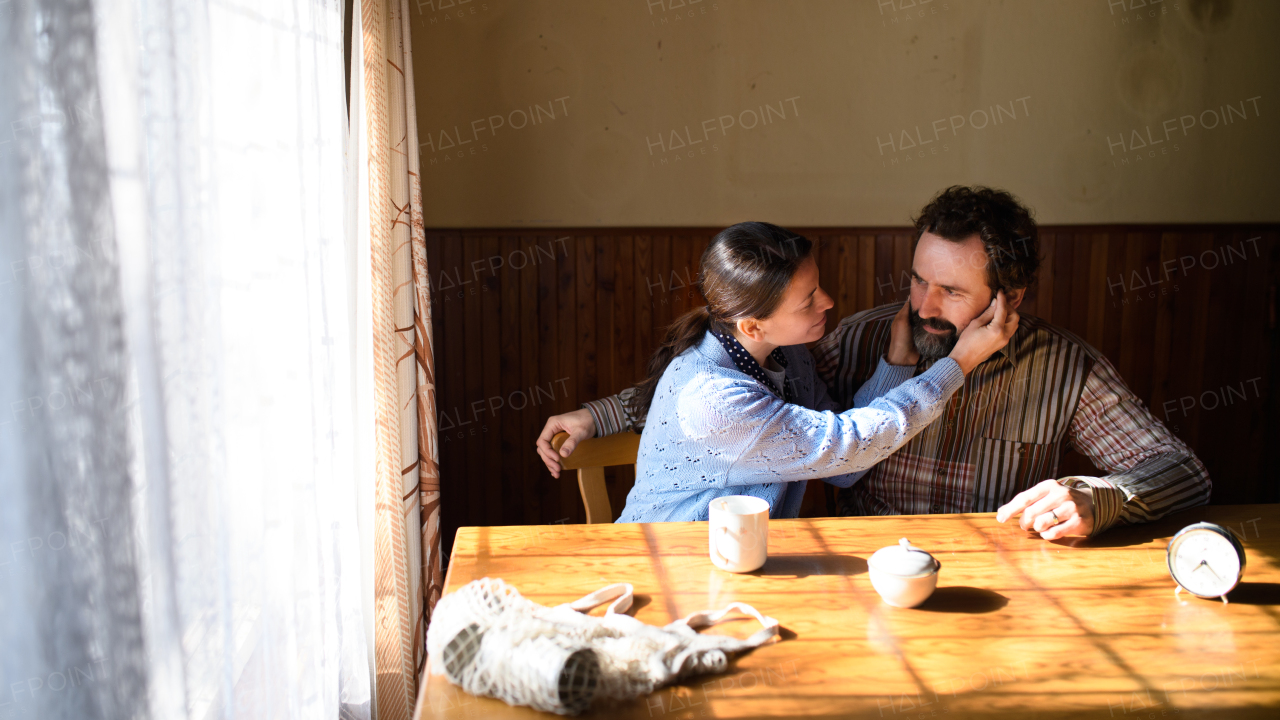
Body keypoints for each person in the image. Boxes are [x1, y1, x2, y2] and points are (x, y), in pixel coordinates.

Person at [539, 187, 1211, 538]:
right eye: (919, 278)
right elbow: (732, 384)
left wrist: (1102, 498)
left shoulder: (1066, 369)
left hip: (992, 588)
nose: (921, 303)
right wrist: (604, 413)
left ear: (1010, 297)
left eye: (950, 291)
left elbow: (1183, 472)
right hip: (847, 575)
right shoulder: (861, 339)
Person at [537, 221, 1018, 523]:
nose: (828, 302)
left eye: (818, 286)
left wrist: (897, 359)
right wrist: (959, 364)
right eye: (809, 299)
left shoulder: (789, 357)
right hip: (667, 567)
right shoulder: (715, 398)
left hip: (739, 567)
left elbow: (844, 470)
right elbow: (846, 445)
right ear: (752, 324)